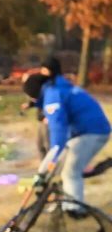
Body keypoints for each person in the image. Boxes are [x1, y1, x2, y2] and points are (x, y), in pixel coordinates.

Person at [35, 56, 111, 213]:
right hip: (84, 132)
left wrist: (44, 170)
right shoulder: (57, 88)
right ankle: (67, 203)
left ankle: (74, 209)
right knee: (67, 167)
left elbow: (58, 138)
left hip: (93, 132)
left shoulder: (53, 95)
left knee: (71, 171)